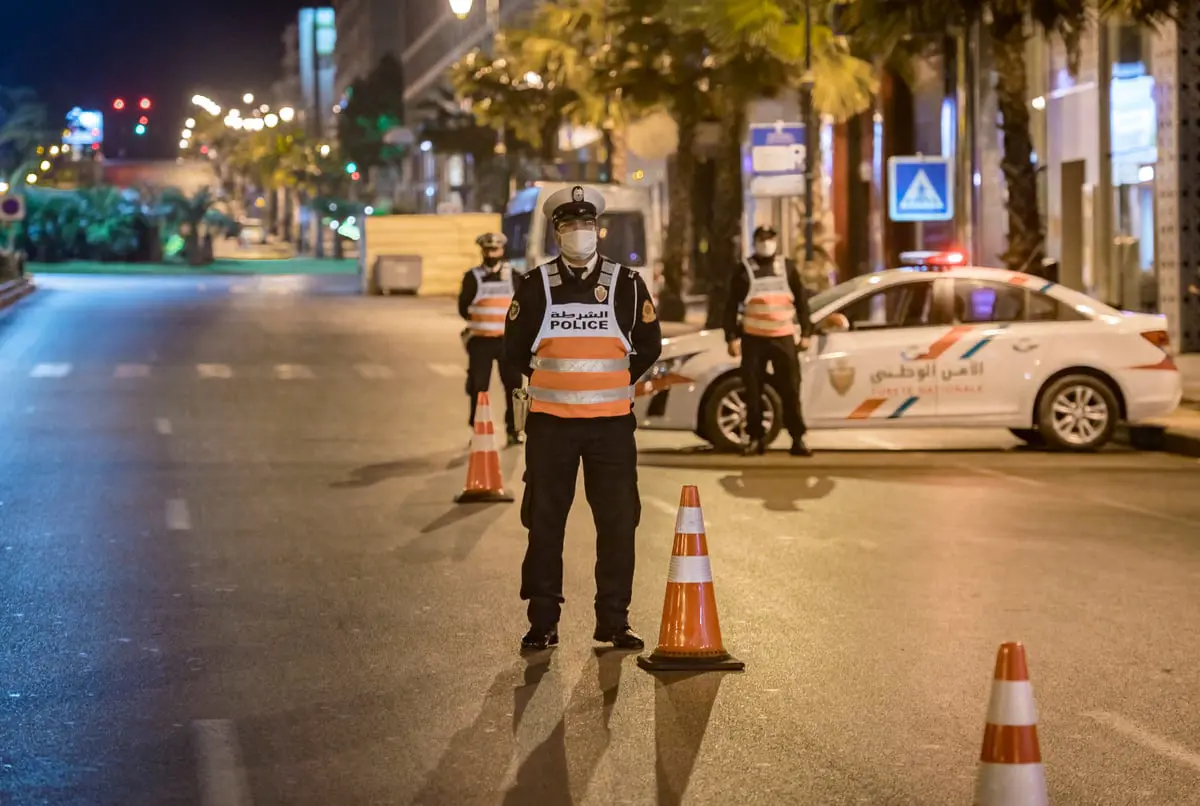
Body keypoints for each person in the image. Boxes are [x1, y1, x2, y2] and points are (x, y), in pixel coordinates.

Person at [504, 184, 662, 652]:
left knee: (617, 524)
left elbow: (649, 345)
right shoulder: (535, 286)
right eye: (571, 226)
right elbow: (513, 350)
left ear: (599, 230)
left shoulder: (628, 285)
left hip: (610, 428)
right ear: (557, 233)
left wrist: (614, 382)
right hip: (551, 426)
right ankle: (543, 621)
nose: (580, 233)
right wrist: (556, 383)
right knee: (546, 524)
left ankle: (614, 620)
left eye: (587, 225)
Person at [723, 224, 814, 457]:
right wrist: (731, 337)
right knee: (753, 391)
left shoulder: (787, 267)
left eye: (770, 238)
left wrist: (806, 333)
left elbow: (802, 302)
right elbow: (731, 306)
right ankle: (755, 438)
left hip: (783, 338)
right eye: (762, 238)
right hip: (754, 339)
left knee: (791, 389)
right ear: (755, 242)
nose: (766, 243)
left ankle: (797, 438)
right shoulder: (743, 269)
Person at [458, 232, 523, 446]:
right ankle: (478, 430)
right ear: (482, 251)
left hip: (507, 342)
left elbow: (523, 307)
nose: (491, 253)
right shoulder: (472, 277)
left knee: (514, 387)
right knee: (478, 387)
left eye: (495, 249)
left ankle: (515, 430)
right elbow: (463, 308)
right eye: (487, 250)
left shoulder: (514, 276)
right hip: (481, 343)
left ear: (502, 251)